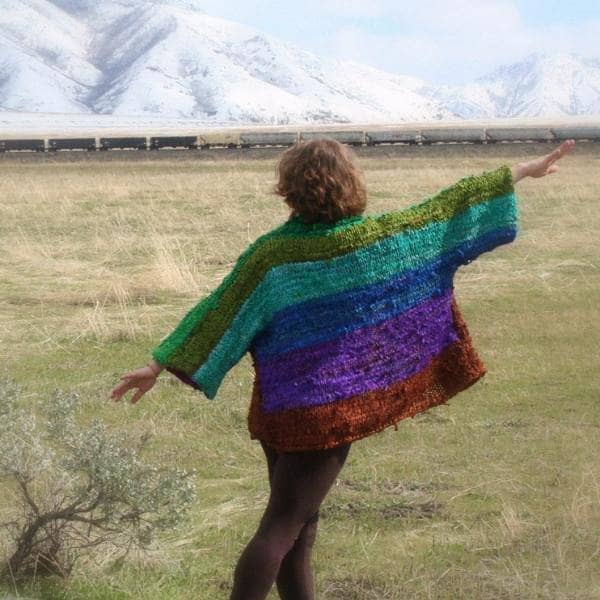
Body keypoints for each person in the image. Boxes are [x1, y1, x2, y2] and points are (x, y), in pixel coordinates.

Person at [110, 137, 575, 600]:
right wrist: (522, 169)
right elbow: (451, 206)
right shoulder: (377, 241)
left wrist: (157, 363)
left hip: (278, 409)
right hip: (326, 414)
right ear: (350, 184)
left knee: (298, 532)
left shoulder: (270, 257)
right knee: (281, 528)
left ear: (289, 189)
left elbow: (220, 311)